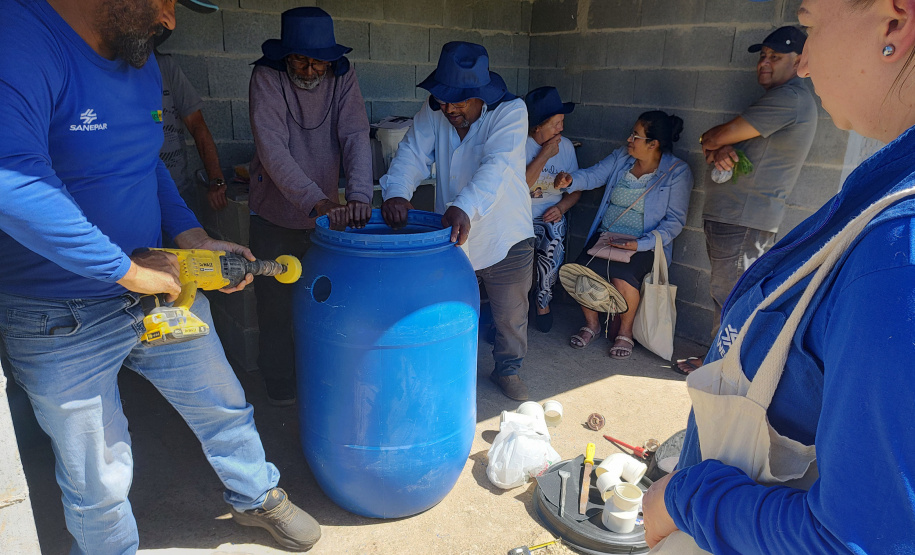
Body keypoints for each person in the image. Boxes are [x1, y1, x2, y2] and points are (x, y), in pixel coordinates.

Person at [0, 0, 320, 552]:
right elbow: (13, 181)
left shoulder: (139, 58)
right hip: (56, 312)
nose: (170, 20)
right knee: (98, 474)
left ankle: (254, 494)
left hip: (158, 285)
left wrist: (193, 238)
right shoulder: (17, 37)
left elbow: (145, 163)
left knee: (222, 401)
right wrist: (126, 271)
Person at [642, 0, 915, 552]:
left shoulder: (899, 249)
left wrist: (683, 498)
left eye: (810, 26)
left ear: (895, 23)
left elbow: (856, 540)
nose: (806, 62)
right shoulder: (884, 191)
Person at [380, 41, 535, 401]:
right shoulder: (435, 109)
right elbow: (412, 153)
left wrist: (465, 205)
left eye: (460, 101)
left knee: (509, 315)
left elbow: (497, 166)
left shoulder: (510, 111)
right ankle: (447, 370)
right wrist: (397, 192)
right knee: (447, 308)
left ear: (481, 96)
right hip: (453, 233)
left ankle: (508, 370)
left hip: (504, 234)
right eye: (443, 99)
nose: (449, 108)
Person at [247, 6, 373, 406]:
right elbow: (272, 149)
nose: (309, 70)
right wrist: (316, 200)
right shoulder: (266, 75)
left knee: (326, 303)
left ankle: (320, 376)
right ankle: (279, 379)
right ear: (285, 56)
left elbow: (355, 135)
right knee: (275, 307)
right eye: (299, 60)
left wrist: (359, 196)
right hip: (275, 215)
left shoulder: (343, 75)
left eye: (318, 62)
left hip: (324, 219)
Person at [677, 26, 818, 374]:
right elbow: (717, 144)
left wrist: (713, 141)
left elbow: (716, 135)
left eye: (776, 57)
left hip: (744, 219)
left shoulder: (789, 98)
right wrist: (716, 147)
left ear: (799, 62)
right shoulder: (779, 100)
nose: (765, 63)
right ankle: (720, 363)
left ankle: (725, 371)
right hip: (736, 218)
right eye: (763, 56)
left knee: (734, 298)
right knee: (727, 295)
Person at [555, 112, 692, 359]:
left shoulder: (677, 171)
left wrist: (639, 244)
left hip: (643, 244)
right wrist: (571, 180)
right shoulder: (622, 158)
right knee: (582, 274)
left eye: (635, 136)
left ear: (653, 144)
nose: (629, 139)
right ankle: (592, 325)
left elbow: (674, 222)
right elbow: (595, 175)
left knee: (623, 279)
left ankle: (625, 332)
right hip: (607, 238)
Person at [523, 86, 582, 333]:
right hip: (519, 216)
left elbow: (576, 190)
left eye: (562, 122)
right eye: (555, 124)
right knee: (513, 260)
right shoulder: (519, 145)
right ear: (537, 127)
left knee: (553, 237)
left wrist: (561, 207)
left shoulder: (565, 146)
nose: (561, 129)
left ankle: (543, 302)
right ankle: (511, 312)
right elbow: (520, 186)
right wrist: (545, 155)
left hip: (550, 214)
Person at [156, 29, 228, 214]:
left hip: (177, 191)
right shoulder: (110, 74)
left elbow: (197, 125)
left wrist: (216, 179)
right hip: (135, 199)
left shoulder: (165, 66)